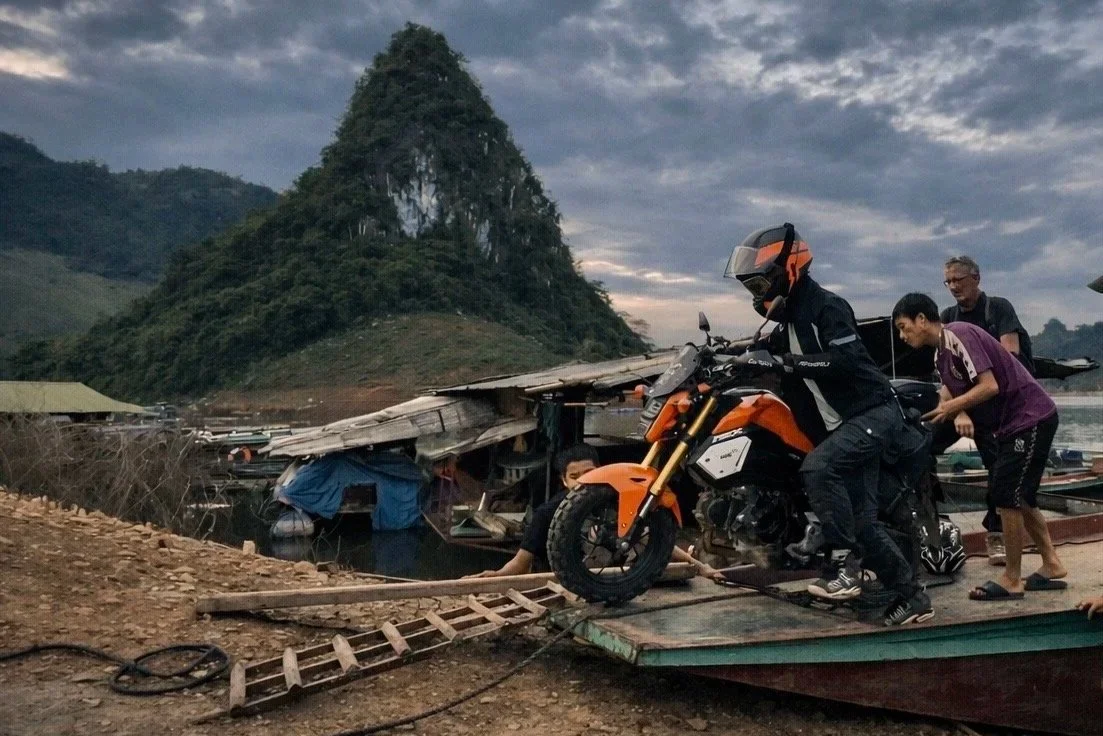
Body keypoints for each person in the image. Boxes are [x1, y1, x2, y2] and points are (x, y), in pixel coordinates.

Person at [725, 223, 932, 626]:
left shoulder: (826, 308)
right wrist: (733, 353)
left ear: (789, 268)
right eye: (752, 287)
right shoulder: (788, 319)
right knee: (864, 524)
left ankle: (844, 567)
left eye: (761, 282)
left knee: (818, 467)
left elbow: (847, 361)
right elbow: (768, 348)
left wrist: (787, 363)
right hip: (851, 424)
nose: (759, 293)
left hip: (874, 414)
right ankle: (914, 598)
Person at [892, 293, 1067, 601]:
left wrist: (952, 407)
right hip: (1014, 424)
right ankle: (1051, 564)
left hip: (1031, 416)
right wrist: (946, 410)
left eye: (904, 327)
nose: (903, 336)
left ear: (922, 319)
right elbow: (947, 390)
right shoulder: (940, 355)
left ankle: (1012, 578)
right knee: (1021, 495)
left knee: (1005, 494)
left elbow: (989, 386)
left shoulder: (958, 333)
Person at [466, 443, 722, 580]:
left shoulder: (619, 504)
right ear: (564, 481)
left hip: (615, 583)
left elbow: (653, 541)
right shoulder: (547, 513)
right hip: (566, 586)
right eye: (574, 476)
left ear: (601, 472)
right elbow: (521, 564)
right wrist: (496, 577)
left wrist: (700, 567)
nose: (581, 481)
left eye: (589, 473)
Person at [939, 255, 1036, 565]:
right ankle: (927, 525)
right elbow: (947, 372)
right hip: (969, 402)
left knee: (1001, 473)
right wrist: (960, 411)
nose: (953, 286)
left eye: (959, 279)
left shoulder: (998, 309)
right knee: (919, 444)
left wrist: (967, 401)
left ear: (976, 279)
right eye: (948, 281)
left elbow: (1009, 355)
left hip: (1004, 404)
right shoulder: (948, 316)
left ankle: (997, 536)